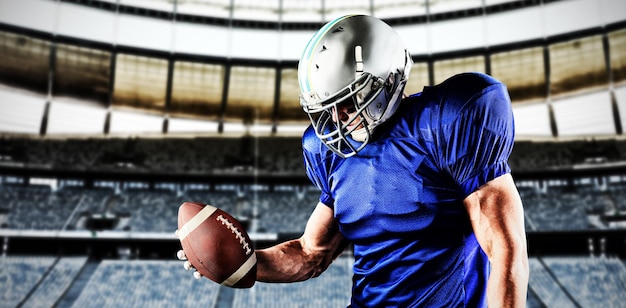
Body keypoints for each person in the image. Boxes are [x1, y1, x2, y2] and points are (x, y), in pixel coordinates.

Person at [180, 14, 529, 307]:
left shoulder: (448, 121)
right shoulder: (330, 154)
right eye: (328, 107)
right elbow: (310, 253)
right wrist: (237, 263)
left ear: (386, 78)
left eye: (347, 100)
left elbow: (504, 248)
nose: (338, 116)